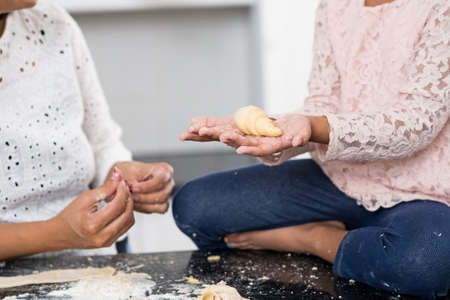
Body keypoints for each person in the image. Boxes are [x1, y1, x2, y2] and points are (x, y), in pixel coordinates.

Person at [175, 0, 450, 298]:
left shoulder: (439, 8)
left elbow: (417, 123)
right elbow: (322, 104)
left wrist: (313, 125)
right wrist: (277, 129)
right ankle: (363, 244)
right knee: (195, 206)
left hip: (422, 192)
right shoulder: (335, 6)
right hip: (338, 178)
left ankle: (312, 237)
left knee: (427, 259)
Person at [0, 0, 174, 260]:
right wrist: (55, 233)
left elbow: (103, 142)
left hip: (95, 262)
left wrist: (120, 173)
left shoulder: (52, 22)